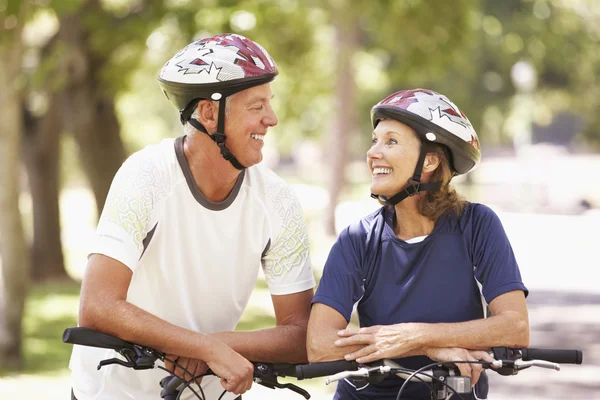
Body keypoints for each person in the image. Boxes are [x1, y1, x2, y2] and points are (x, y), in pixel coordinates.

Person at [69, 33, 316, 400]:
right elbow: (98, 307)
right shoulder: (146, 176)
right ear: (208, 112)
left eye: (270, 103)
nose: (272, 119)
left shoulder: (278, 200)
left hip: (209, 392)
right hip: (114, 390)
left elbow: (301, 334)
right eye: (256, 106)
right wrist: (208, 349)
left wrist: (214, 346)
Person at [307, 89, 529, 399]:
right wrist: (430, 347)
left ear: (430, 162)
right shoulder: (357, 239)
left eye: (391, 141)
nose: (373, 153)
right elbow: (318, 345)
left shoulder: (476, 224)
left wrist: (417, 336)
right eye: (375, 141)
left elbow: (515, 328)